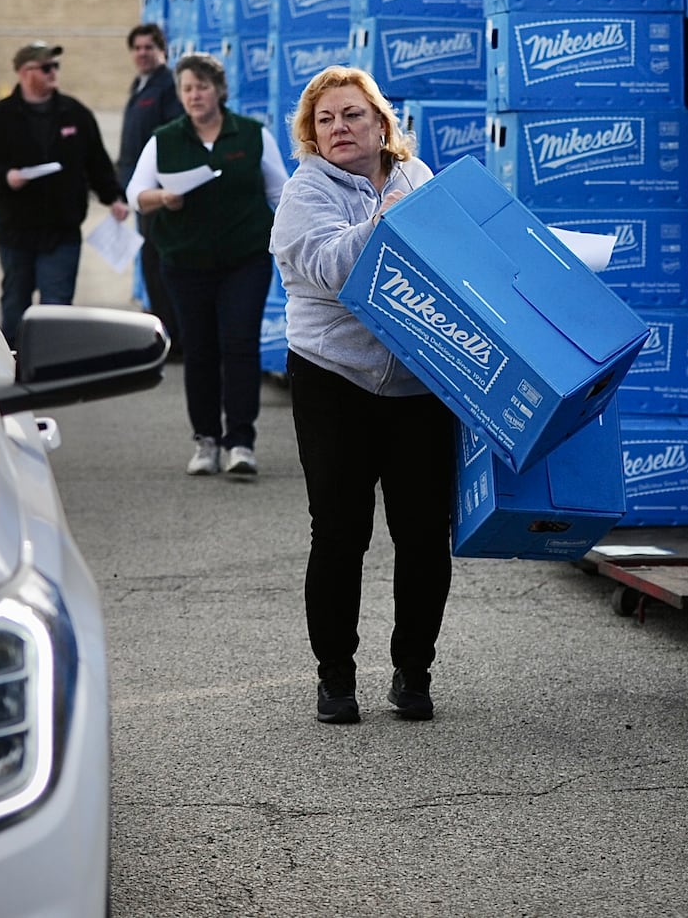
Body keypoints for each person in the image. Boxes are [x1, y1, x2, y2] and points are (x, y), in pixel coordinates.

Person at [268, 65, 454, 726]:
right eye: (326, 120)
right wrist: (387, 222)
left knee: (426, 533)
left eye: (352, 115)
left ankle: (414, 671)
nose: (340, 128)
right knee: (342, 533)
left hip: (418, 380)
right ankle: (336, 678)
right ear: (311, 136)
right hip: (333, 376)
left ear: (381, 123)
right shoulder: (304, 190)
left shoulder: (418, 177)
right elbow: (328, 265)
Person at [126, 52, 287, 477]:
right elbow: (135, 193)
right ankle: (205, 440)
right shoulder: (165, 138)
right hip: (185, 262)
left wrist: (293, 243)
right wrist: (163, 197)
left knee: (239, 344)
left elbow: (281, 193)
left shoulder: (252, 135)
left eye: (202, 86)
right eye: (187, 88)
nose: (195, 95)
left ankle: (241, 440)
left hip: (244, 259)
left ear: (220, 90)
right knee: (199, 349)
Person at [0, 40, 130, 344]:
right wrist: (5, 177)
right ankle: (16, 365)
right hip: (15, 230)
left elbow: (96, 162)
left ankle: (53, 367)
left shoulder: (75, 114)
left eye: (55, 66)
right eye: (46, 67)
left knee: (57, 305)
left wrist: (114, 198)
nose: (53, 72)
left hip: (62, 229)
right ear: (24, 72)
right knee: (16, 303)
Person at [116, 23, 183, 354]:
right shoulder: (140, 85)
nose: (142, 53)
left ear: (162, 51)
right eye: (137, 48)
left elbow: (168, 139)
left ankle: (174, 339)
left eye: (148, 47)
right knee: (151, 265)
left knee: (161, 266)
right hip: (140, 192)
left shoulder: (167, 86)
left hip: (158, 194)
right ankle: (165, 333)